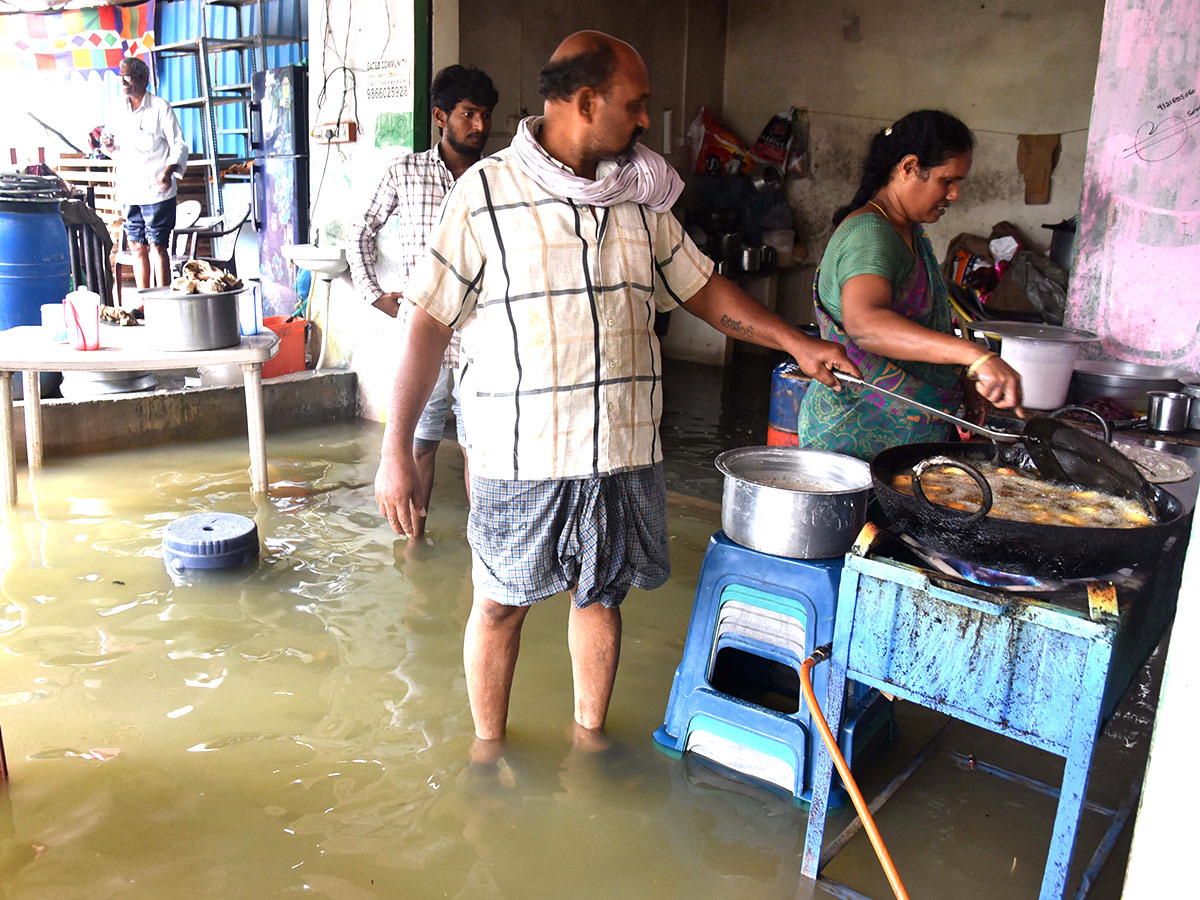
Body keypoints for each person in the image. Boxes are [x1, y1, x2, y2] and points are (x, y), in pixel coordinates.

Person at [373, 31, 859, 747]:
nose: (641, 122)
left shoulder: (637, 196)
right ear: (586, 100)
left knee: (601, 598)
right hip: (520, 456)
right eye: (634, 107)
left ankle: (589, 740)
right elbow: (425, 327)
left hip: (623, 449)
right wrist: (394, 452)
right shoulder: (485, 194)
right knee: (500, 606)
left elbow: (701, 289)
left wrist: (794, 341)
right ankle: (487, 754)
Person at [796, 110, 1024, 460]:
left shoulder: (906, 230)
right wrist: (975, 357)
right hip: (855, 440)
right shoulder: (872, 234)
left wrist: (958, 375)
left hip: (899, 436)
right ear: (908, 167)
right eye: (947, 181)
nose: (955, 195)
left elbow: (918, 327)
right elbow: (866, 325)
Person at [348, 65, 499, 538]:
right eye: (468, 114)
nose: (480, 126)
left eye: (485, 115)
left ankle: (487, 561)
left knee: (484, 455)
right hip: (422, 338)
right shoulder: (405, 172)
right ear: (440, 116)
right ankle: (413, 547)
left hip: (484, 341)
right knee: (419, 448)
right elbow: (359, 233)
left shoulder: (497, 178)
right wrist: (376, 296)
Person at [101, 57, 189, 292]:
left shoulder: (160, 107)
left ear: (144, 79)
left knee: (157, 246)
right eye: (121, 77)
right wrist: (109, 146)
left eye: (128, 76)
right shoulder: (117, 108)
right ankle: (144, 302)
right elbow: (113, 148)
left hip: (157, 191)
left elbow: (179, 145)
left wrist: (169, 171)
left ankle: (163, 299)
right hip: (131, 189)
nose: (124, 82)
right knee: (136, 245)